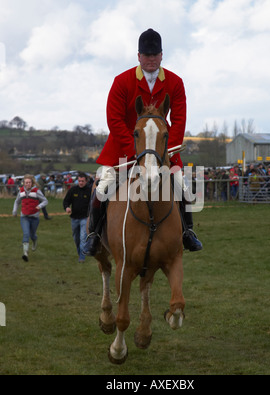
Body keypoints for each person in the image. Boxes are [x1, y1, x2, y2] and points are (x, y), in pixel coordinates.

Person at [85, 28, 202, 256]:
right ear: (138, 56)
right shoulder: (121, 81)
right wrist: (135, 152)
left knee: (184, 188)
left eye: (155, 55)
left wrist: (165, 151)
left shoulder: (175, 82)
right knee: (102, 188)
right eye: (146, 55)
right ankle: (94, 234)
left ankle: (188, 231)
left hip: (162, 150)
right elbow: (114, 120)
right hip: (124, 148)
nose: (151, 59)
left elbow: (179, 120)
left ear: (161, 55)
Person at [12, 174, 48, 262]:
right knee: (26, 234)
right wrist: (15, 211)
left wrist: (39, 206)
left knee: (32, 235)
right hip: (24, 217)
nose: (27, 184)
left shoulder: (36, 191)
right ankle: (25, 253)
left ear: (32, 183)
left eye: (29, 182)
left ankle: (35, 241)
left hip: (34, 217)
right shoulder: (21, 192)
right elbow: (17, 202)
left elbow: (45, 201)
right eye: (26, 182)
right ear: (23, 183)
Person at [63, 172, 92, 263]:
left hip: (85, 218)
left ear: (86, 181)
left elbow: (93, 204)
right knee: (76, 238)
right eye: (79, 181)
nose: (81, 183)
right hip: (74, 218)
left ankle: (82, 258)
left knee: (83, 237)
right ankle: (81, 252)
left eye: (82, 181)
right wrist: (67, 207)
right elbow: (66, 201)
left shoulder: (90, 191)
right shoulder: (73, 190)